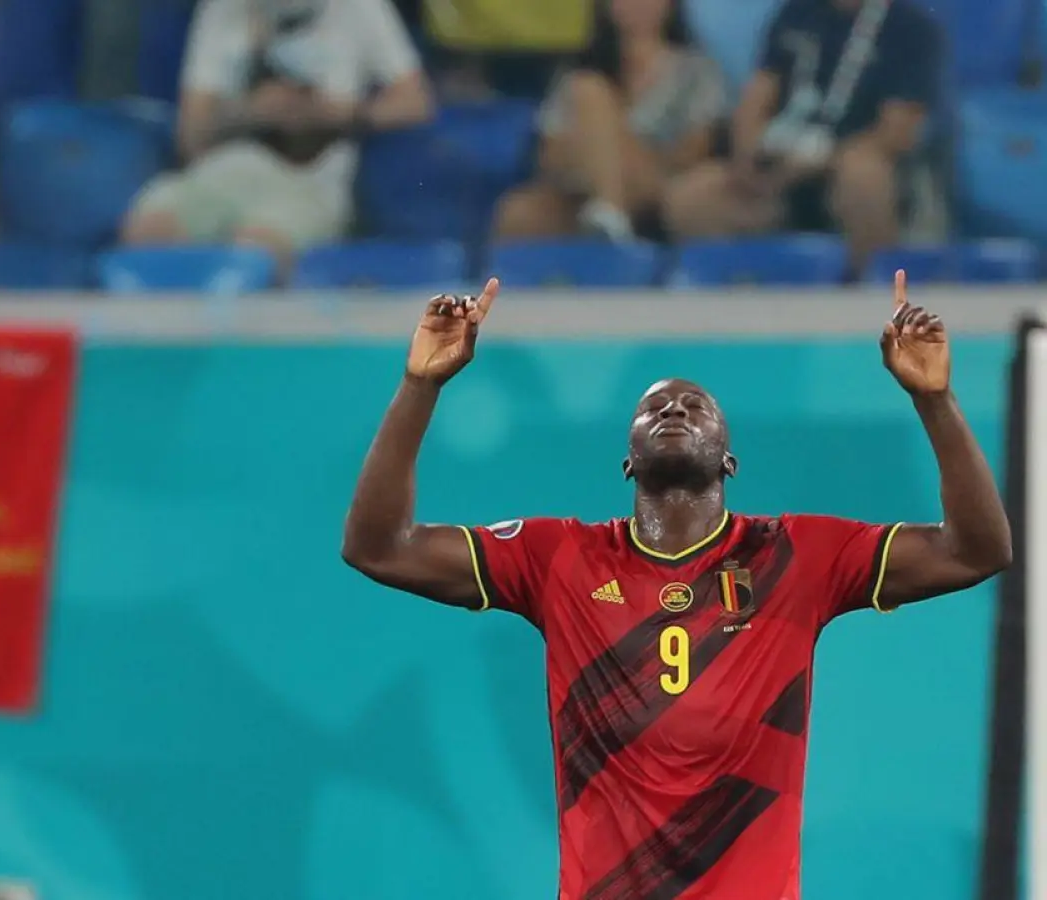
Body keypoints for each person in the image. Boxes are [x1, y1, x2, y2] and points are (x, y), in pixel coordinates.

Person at [340, 272, 1010, 898]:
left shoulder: (797, 555)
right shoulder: (559, 556)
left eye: (696, 406)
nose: (675, 410)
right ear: (627, 460)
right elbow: (379, 547)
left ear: (729, 459)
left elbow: (976, 551)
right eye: (655, 404)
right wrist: (420, 385)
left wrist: (936, 399)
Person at [119, 0, 433, 275]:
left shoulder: (358, 7)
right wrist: (252, 111)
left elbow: (416, 102)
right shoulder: (221, 8)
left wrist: (337, 114)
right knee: (149, 231)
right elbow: (189, 137)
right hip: (220, 173)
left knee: (251, 253)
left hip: (308, 182)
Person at [660, 0, 942, 273]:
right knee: (691, 199)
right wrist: (747, 157)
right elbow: (757, 96)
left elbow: (897, 130)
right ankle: (747, 289)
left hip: (844, 166)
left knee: (863, 176)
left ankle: (869, 288)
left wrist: (821, 160)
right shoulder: (796, 13)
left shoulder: (910, 27)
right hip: (782, 171)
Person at [492, 0, 725, 243]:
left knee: (589, 92)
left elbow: (695, 150)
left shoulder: (696, 71)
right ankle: (608, 216)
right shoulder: (580, 68)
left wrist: (617, 148)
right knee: (519, 212)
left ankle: (611, 210)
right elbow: (550, 152)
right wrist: (593, 159)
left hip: (659, 183)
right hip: (581, 186)